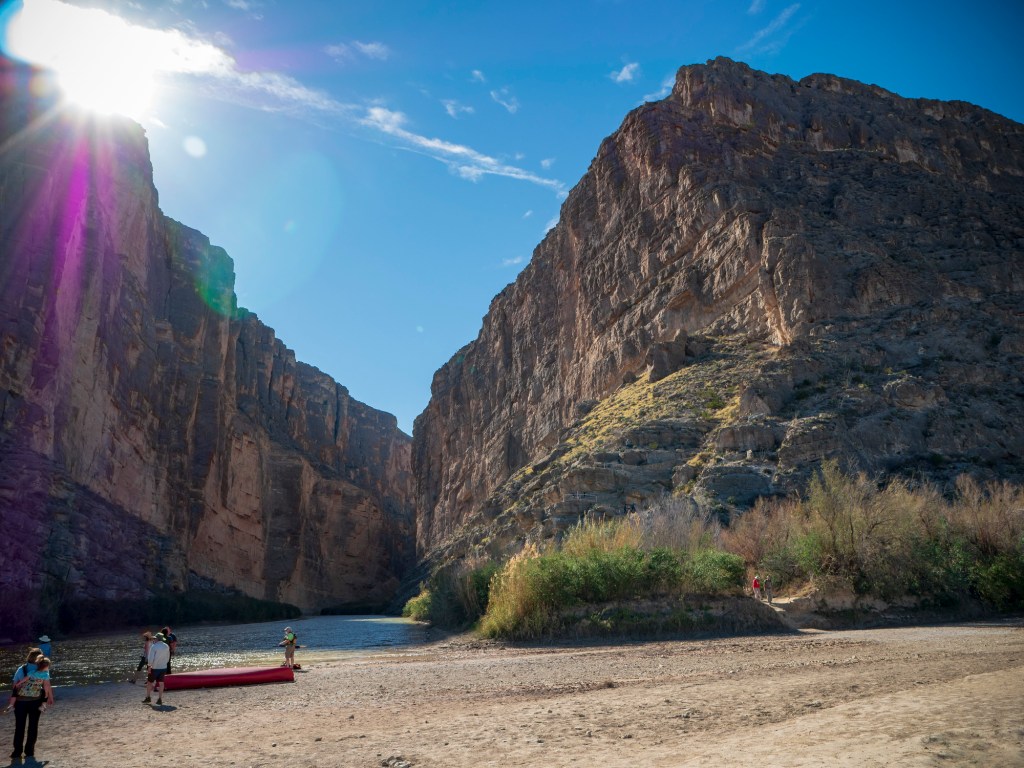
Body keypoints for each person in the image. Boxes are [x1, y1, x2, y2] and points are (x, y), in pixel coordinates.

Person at [10, 656, 54, 761]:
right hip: (35, 701)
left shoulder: (23, 669)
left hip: (21, 702)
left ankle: (17, 752)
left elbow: (15, 683)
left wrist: (17, 688)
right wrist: (49, 698)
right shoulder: (45, 673)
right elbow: (47, 687)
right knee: (33, 726)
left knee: (19, 727)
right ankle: (29, 751)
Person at [4, 649, 42, 714]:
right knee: (33, 722)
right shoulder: (42, 669)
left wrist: (14, 694)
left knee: (20, 723)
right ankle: (43, 705)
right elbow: (46, 684)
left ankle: (11, 705)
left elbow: (15, 683)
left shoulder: (21, 668)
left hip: (21, 697)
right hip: (36, 696)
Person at [143, 632, 170, 706]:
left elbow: (151, 658)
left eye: (155, 638)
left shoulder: (154, 647)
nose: (154, 639)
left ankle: (148, 697)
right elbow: (168, 658)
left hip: (155, 668)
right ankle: (160, 699)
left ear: (157, 639)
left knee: (149, 682)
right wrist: (164, 663)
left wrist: (149, 666)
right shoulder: (166, 646)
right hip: (163, 667)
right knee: (161, 683)